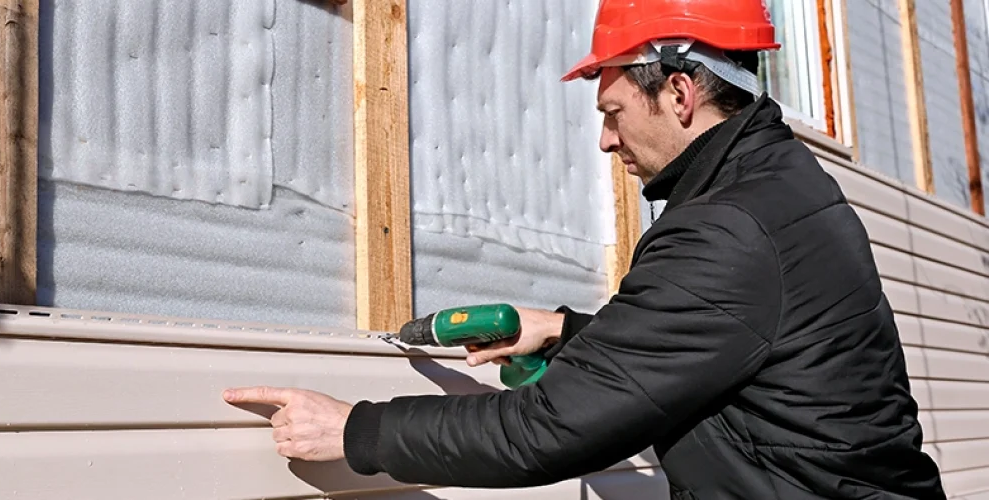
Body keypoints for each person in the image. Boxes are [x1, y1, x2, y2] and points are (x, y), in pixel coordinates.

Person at [222, 1, 947, 497]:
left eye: (612, 111)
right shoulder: (776, 184)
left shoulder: (727, 227)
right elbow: (723, 348)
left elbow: (552, 429)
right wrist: (567, 332)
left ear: (681, 93)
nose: (606, 140)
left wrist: (359, 428)